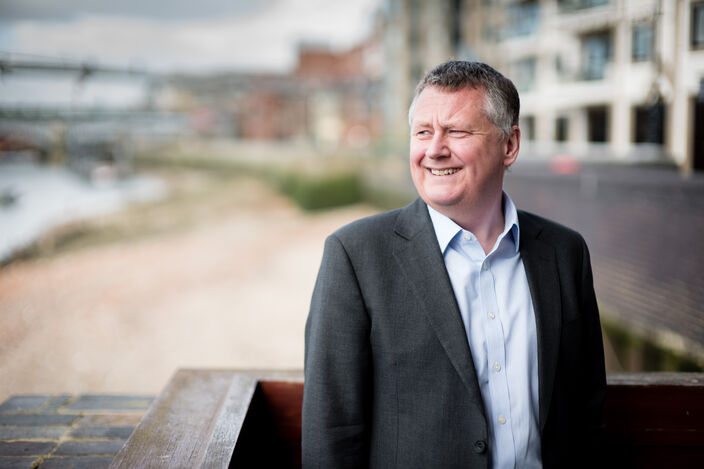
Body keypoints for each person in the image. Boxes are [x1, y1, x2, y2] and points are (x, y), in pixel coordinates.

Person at [302, 61, 606, 469]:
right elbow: (332, 428)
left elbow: (587, 411)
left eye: (457, 131)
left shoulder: (564, 253)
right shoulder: (355, 256)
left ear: (509, 145)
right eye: (422, 132)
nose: (434, 149)